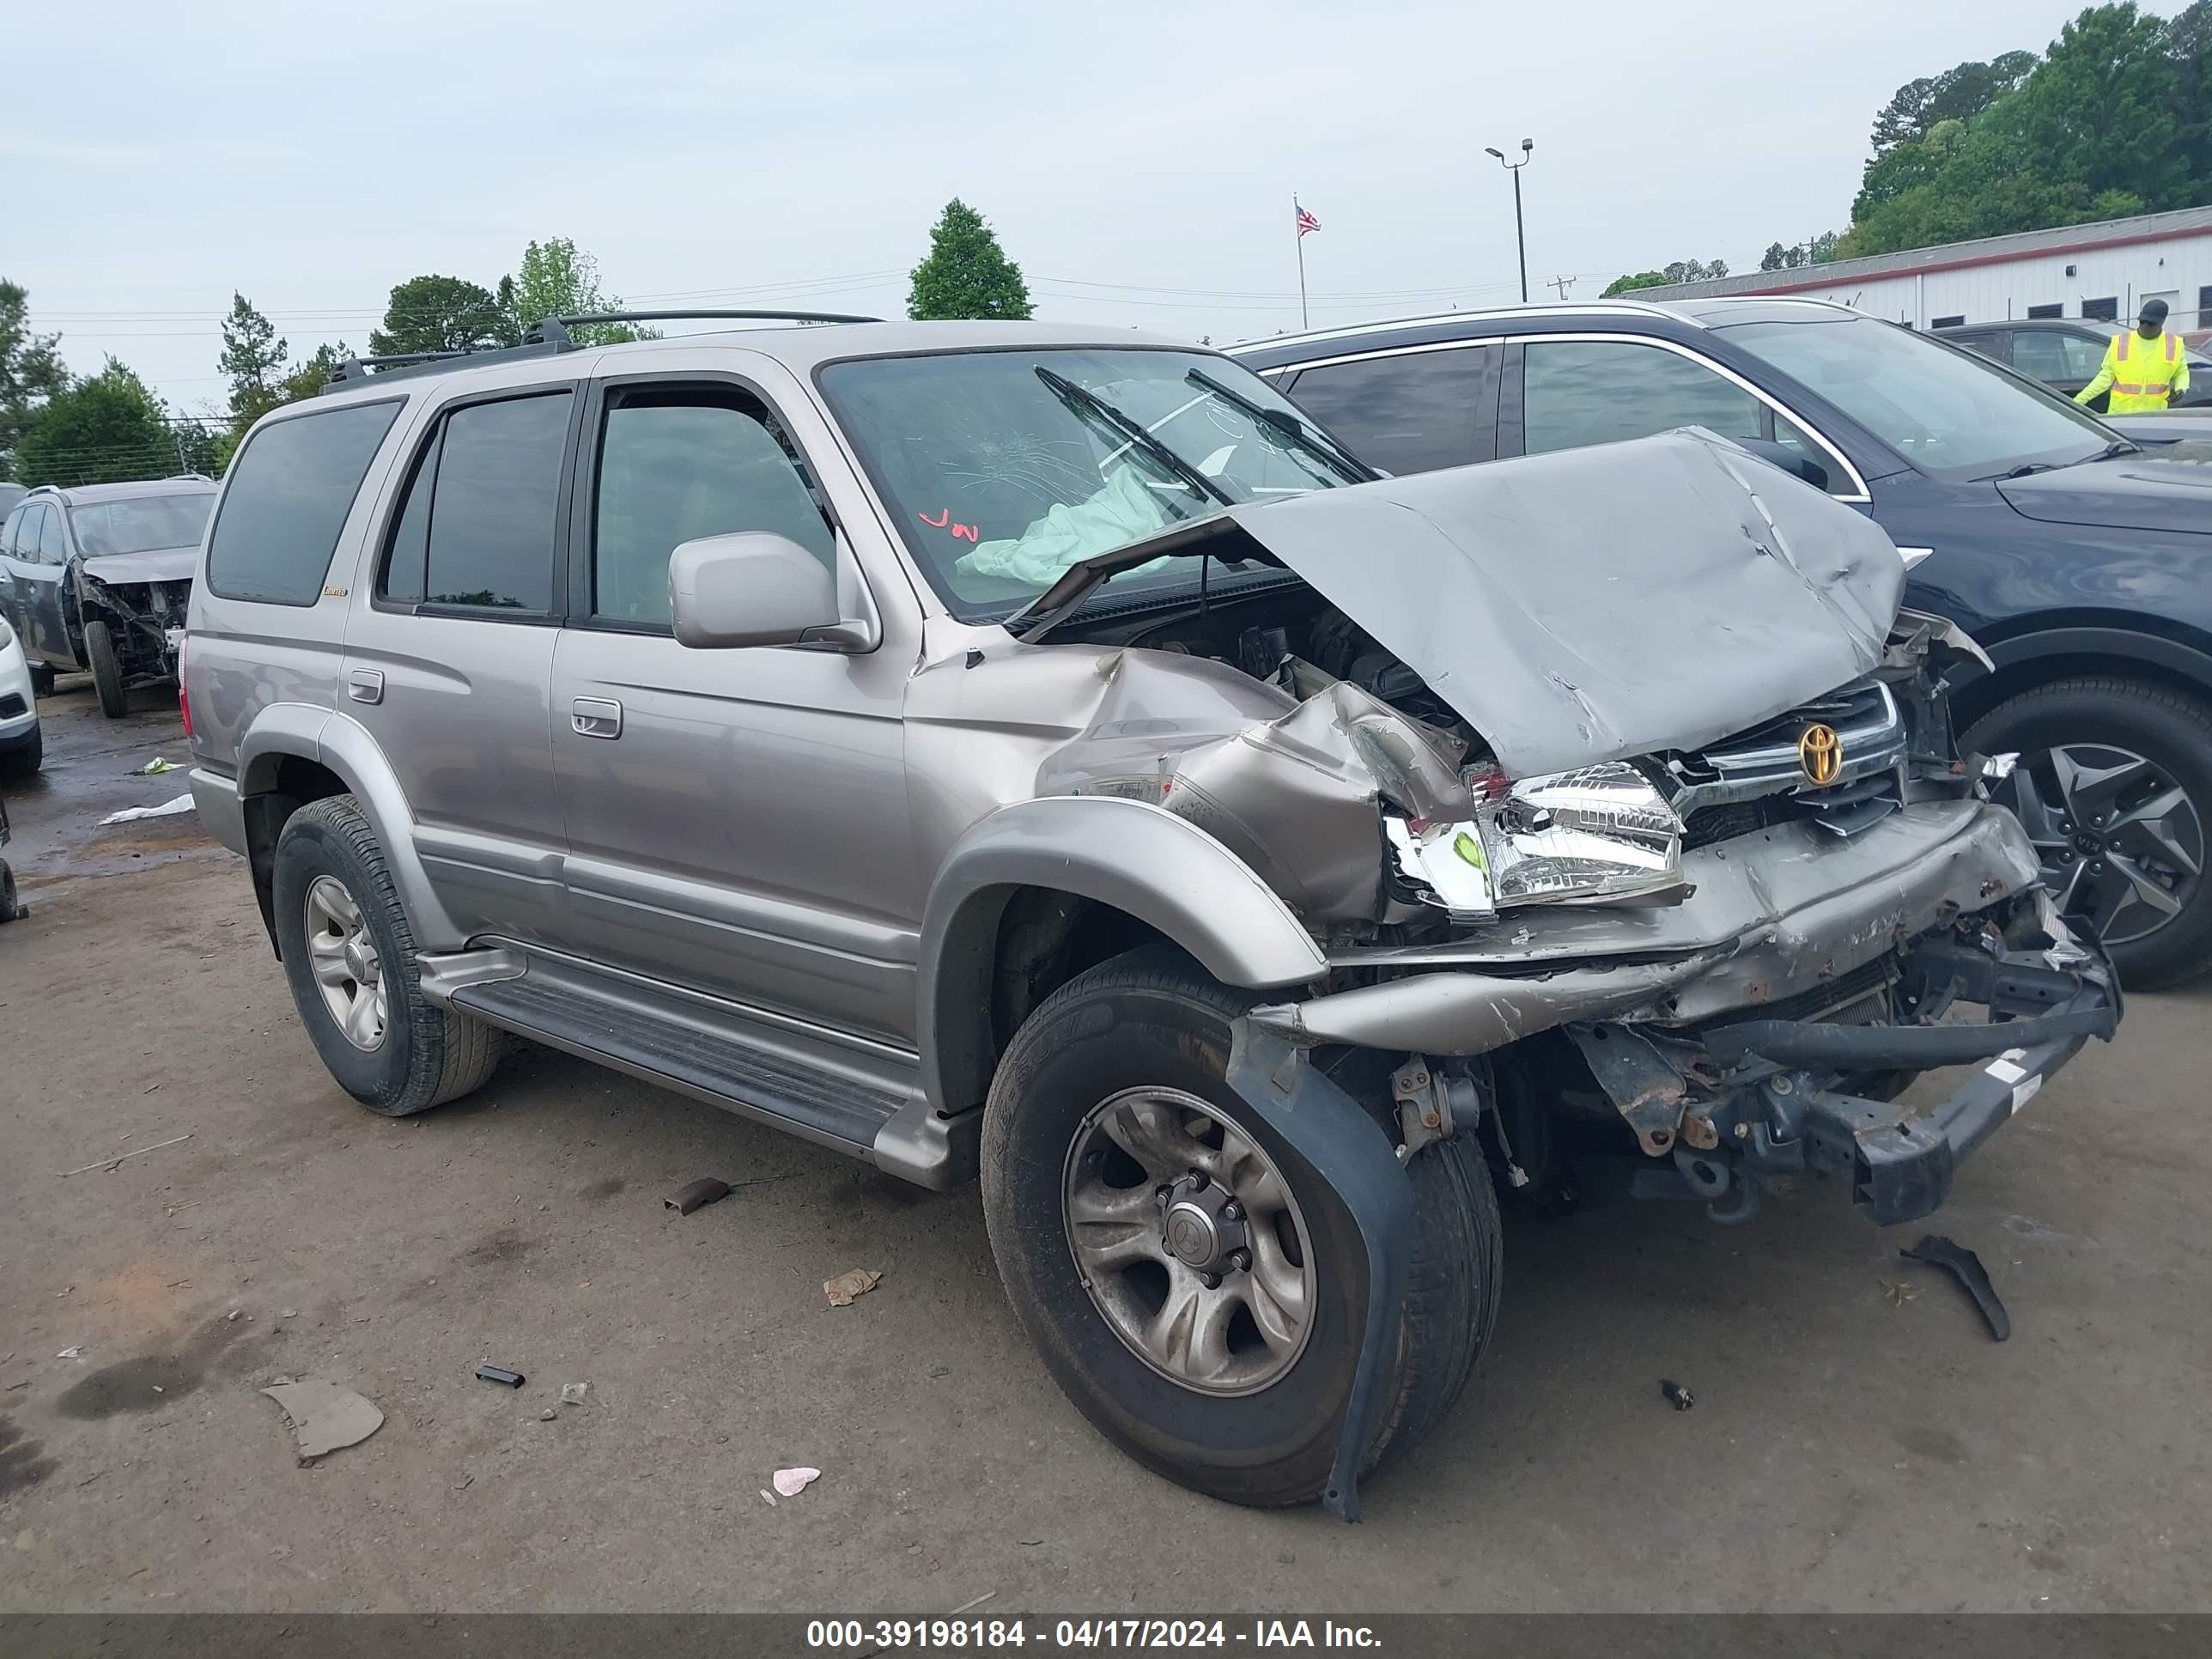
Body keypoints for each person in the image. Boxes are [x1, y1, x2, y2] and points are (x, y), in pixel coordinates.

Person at [2075, 299, 2192, 413]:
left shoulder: (2173, 344)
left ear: (2162, 322)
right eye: (2142, 322)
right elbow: (2105, 377)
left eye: (2151, 323)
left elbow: (2181, 371)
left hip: (2154, 416)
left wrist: (2181, 388)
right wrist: (2078, 401)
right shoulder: (2121, 342)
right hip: (2121, 416)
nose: (2145, 326)